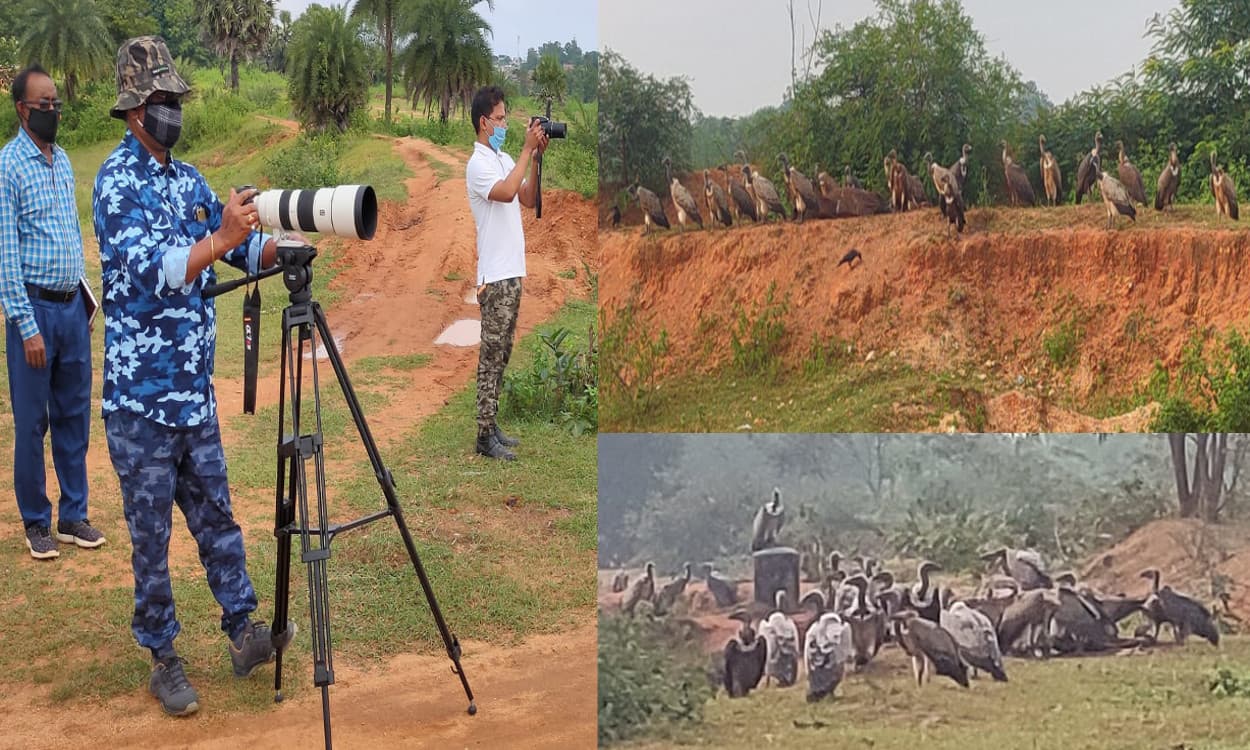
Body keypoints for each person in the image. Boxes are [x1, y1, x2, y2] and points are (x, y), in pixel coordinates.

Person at [92, 36, 300, 717]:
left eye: (174, 100)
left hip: (191, 393)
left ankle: (243, 631)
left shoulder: (187, 181)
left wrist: (283, 242)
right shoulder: (115, 185)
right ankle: (162, 655)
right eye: (160, 101)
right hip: (140, 401)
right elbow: (160, 270)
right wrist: (222, 240)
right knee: (151, 535)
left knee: (217, 518)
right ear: (133, 109)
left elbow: (234, 247)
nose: (170, 112)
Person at [0, 65, 103, 559]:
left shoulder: (62, 160)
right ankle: (36, 521)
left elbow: (66, 236)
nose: (53, 112)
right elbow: (6, 255)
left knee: (73, 415)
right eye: (44, 105)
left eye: (56, 103)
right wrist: (25, 326)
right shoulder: (9, 165)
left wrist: (84, 299)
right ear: (23, 110)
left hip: (71, 312)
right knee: (31, 421)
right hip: (34, 314)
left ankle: (73, 515)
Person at [465, 86, 547, 461]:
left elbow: (527, 197)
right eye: (499, 118)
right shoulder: (478, 164)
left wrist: (536, 159)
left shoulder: (503, 158)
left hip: (512, 271)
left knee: (503, 352)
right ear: (484, 122)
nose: (504, 124)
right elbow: (505, 192)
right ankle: (483, 436)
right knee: (490, 353)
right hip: (494, 275)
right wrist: (527, 151)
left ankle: (492, 423)